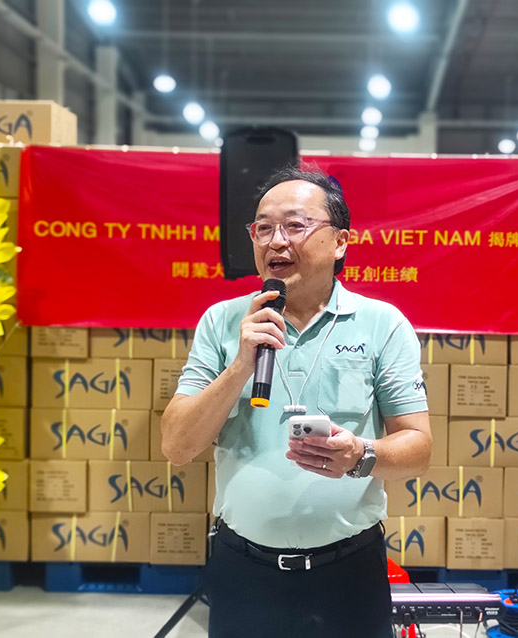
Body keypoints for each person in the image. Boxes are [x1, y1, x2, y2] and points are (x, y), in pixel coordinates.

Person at [160, 165, 431, 638]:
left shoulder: (382, 324)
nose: (276, 241)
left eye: (295, 225)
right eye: (263, 228)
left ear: (340, 242)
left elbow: (418, 448)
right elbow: (177, 446)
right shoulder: (223, 322)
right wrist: (240, 364)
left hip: (349, 572)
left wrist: (359, 454)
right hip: (244, 570)